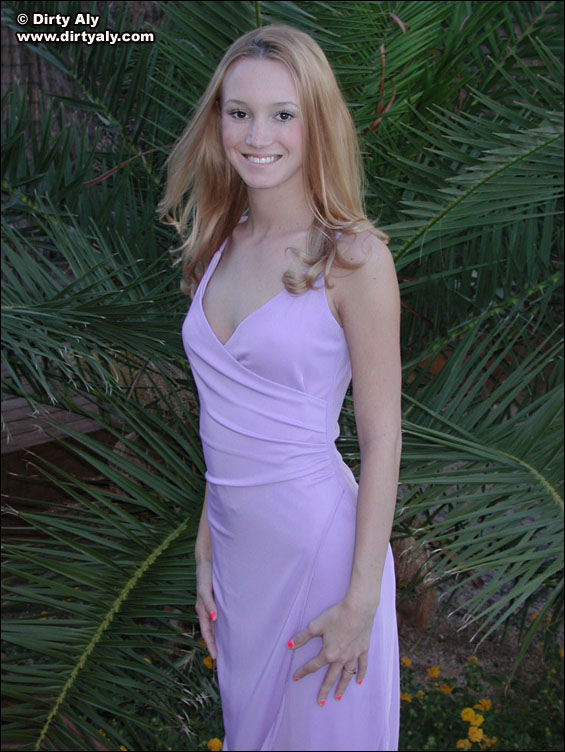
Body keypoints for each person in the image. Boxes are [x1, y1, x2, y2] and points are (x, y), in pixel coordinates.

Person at [159, 23, 401, 752]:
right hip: (239, 560)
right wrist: (205, 545)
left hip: (322, 557)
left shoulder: (354, 259)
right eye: (239, 113)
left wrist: (360, 600)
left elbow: (382, 438)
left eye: (282, 114)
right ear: (218, 122)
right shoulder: (214, 244)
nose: (256, 136)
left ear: (317, 123)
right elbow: (223, 418)